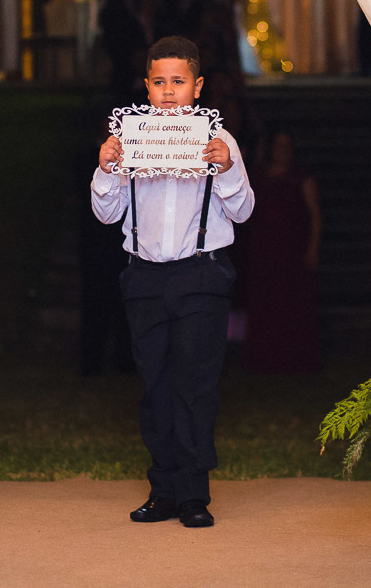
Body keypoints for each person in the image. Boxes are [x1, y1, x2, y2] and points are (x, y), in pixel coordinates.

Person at [91, 36, 254, 529]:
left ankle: (193, 495)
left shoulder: (219, 141)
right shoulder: (129, 138)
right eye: (159, 82)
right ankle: (163, 490)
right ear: (146, 86)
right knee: (155, 387)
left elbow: (243, 211)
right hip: (143, 277)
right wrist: (107, 169)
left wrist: (225, 170)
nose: (168, 91)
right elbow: (106, 214)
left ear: (197, 86)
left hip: (201, 274)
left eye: (178, 82)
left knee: (195, 385)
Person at [243, 131, 323, 373]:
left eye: (287, 146)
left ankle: (294, 361)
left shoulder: (302, 178)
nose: (283, 151)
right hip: (264, 251)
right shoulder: (258, 177)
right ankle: (264, 360)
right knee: (265, 304)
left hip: (292, 252)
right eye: (279, 145)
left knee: (292, 305)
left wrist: (312, 249)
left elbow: (315, 215)